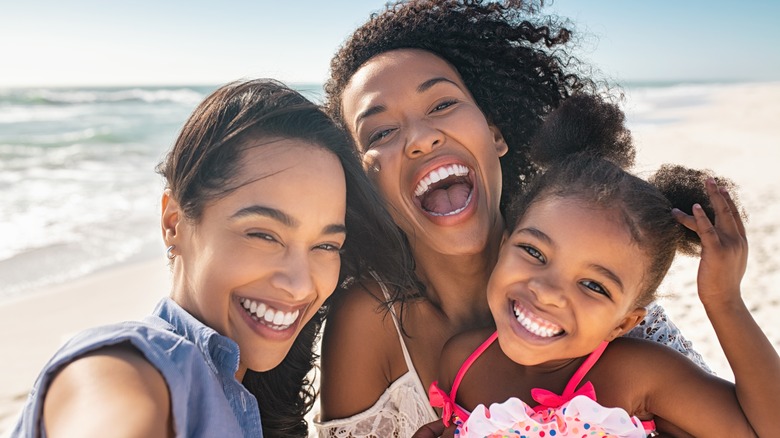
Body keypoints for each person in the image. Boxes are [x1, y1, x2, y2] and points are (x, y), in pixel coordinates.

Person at [315, 1, 708, 436]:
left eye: (442, 103)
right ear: (364, 184)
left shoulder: (612, 300)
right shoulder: (366, 321)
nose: (421, 138)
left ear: (495, 134)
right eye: (381, 133)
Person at [11, 79, 414, 438]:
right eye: (263, 235)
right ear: (173, 222)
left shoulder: (244, 392)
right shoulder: (128, 366)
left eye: (325, 246)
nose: (300, 284)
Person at [418, 95, 780, 437]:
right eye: (534, 252)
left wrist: (723, 301)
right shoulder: (461, 360)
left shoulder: (639, 374)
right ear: (503, 246)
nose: (547, 291)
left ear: (623, 323)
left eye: (593, 285)